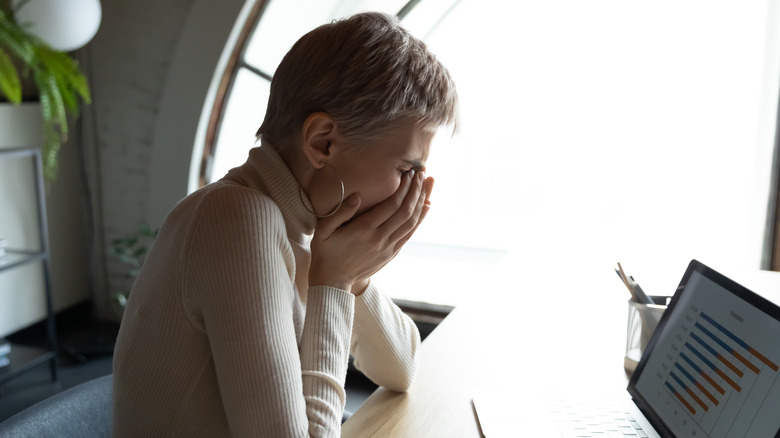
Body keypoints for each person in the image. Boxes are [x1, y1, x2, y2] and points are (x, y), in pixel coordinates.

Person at [112, 11, 458, 438]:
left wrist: (354, 275)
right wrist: (334, 280)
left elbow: (401, 367)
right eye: (407, 168)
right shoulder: (238, 219)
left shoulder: (304, 219)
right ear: (322, 143)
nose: (415, 190)